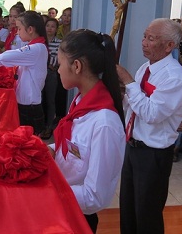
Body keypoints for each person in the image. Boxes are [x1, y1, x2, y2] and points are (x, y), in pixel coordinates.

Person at [116, 18, 182, 234]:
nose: (144, 42)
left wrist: (129, 83)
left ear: (169, 46)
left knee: (147, 214)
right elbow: (135, 105)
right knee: (128, 208)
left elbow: (151, 113)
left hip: (153, 154)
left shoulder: (174, 77)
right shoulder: (146, 68)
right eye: (144, 37)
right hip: (133, 146)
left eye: (151, 38)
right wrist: (122, 93)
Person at [49, 29, 126, 233]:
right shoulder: (81, 100)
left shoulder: (104, 124)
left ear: (76, 66)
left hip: (78, 216)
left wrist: (48, 193)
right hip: (62, 204)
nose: (57, 70)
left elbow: (95, 196)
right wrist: (48, 149)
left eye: (60, 63)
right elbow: (74, 143)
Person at [0, 11, 48, 135]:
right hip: (25, 103)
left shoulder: (37, 48)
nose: (17, 32)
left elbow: (10, 56)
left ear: (30, 29)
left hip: (30, 106)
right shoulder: (36, 46)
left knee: (28, 144)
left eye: (19, 29)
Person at [39, 18, 62, 139]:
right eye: (48, 25)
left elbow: (56, 60)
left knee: (50, 100)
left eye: (53, 26)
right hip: (39, 73)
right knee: (39, 99)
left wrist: (46, 62)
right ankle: (40, 126)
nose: (49, 28)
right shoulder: (40, 41)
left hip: (51, 74)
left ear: (56, 29)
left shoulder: (59, 42)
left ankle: (49, 127)